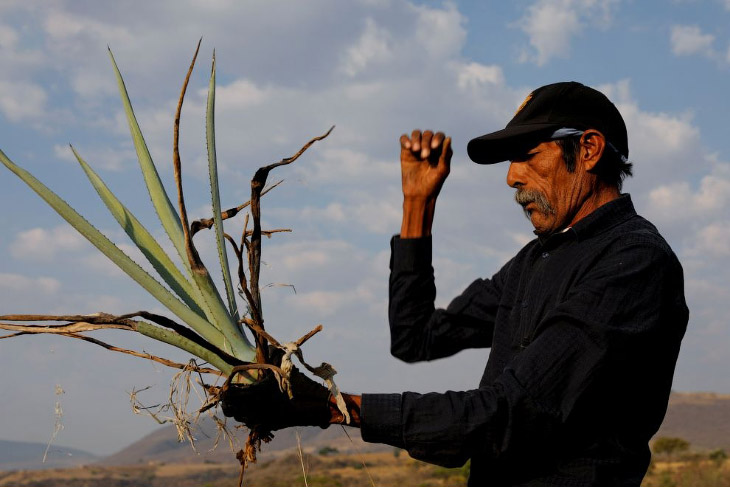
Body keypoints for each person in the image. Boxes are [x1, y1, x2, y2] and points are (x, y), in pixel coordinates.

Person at [222, 81, 689, 486]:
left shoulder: (633, 262)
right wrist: (417, 205)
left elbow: (508, 413)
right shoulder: (535, 260)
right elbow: (416, 337)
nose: (511, 177)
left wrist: (332, 407)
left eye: (527, 156)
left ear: (588, 149)